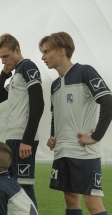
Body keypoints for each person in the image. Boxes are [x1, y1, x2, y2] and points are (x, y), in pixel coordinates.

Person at [40, 32, 112, 215]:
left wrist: (95, 137)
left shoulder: (85, 72)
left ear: (62, 51)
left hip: (83, 151)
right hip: (62, 150)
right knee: (70, 199)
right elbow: (55, 115)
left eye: (47, 51)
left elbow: (108, 101)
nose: (43, 57)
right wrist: (53, 137)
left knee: (92, 202)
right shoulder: (55, 84)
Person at [0, 33, 44, 207]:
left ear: (17, 49)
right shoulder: (15, 75)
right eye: (0, 58)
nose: (3, 61)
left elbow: (38, 104)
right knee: (14, 188)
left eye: (5, 56)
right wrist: (4, 73)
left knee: (24, 188)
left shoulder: (28, 66)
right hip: (12, 139)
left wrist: (27, 140)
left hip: (23, 140)